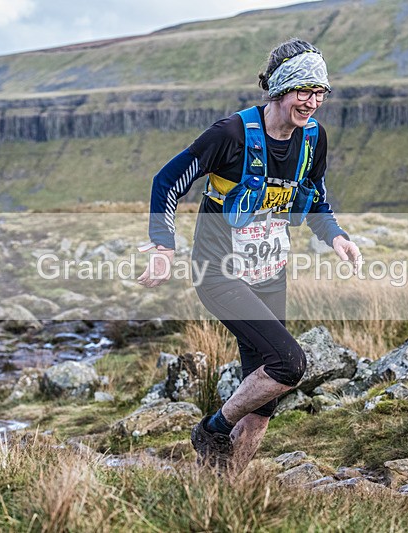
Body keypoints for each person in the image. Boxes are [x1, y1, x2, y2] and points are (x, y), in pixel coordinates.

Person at [138, 38, 361, 476]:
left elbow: (313, 197)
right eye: (304, 91)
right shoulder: (231, 135)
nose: (312, 102)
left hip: (269, 274)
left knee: (266, 397)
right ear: (280, 89)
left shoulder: (314, 139)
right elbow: (166, 181)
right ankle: (212, 428)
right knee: (290, 364)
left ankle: (222, 488)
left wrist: (336, 236)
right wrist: (164, 245)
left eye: (320, 93)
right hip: (219, 274)